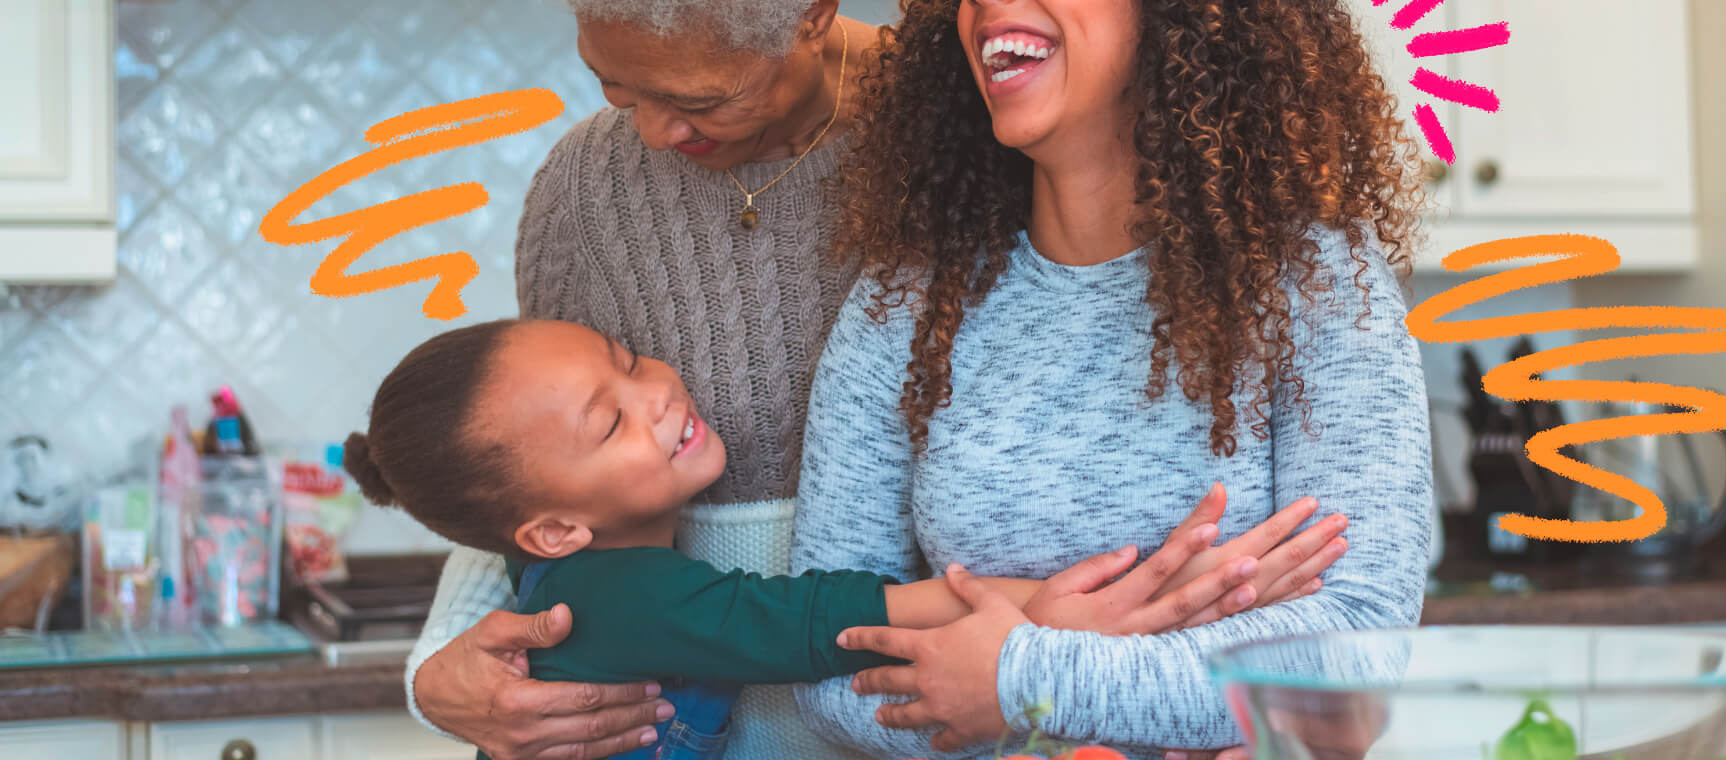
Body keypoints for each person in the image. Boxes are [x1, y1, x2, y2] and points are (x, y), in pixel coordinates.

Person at [405, 0, 1350, 760]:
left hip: (952, 705)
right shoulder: (583, 198)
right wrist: (439, 669)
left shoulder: (976, 137)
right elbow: (519, 466)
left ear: (811, 10)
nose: (649, 131)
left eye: (702, 95)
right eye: (613, 84)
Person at [790, 0, 1434, 760]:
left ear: (1170, 1)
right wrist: (1083, 694)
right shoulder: (907, 301)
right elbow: (825, 653)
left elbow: (1354, 652)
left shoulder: (1315, 285)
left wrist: (1020, 673)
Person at [350, 319, 1282, 759]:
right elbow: (830, 619)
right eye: (611, 423)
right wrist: (1069, 608)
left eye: (630, 362)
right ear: (552, 528)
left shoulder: (564, 570)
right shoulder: (623, 598)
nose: (659, 395)